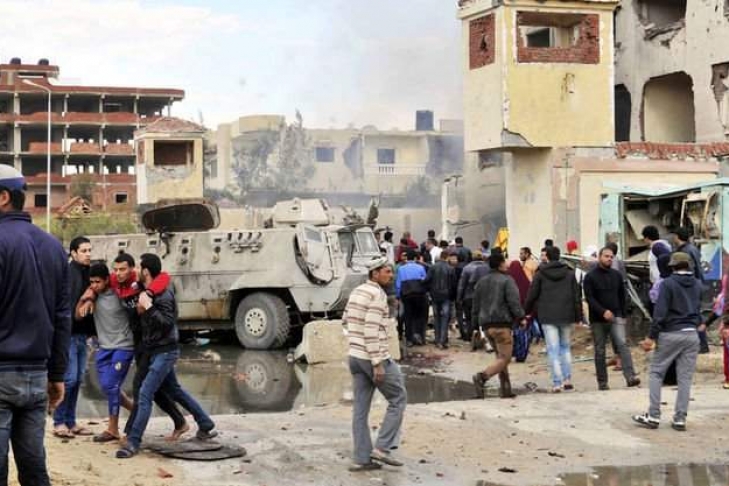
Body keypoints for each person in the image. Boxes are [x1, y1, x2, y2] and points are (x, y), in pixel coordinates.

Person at [0, 166, 71, 486]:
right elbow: (62, 317)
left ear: (3, 197)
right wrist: (57, 374)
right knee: (33, 467)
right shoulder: (54, 247)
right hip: (37, 377)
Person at [117, 254, 217, 459]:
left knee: (145, 393)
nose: (136, 271)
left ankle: (133, 442)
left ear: (146, 271)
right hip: (152, 350)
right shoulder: (145, 289)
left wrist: (149, 307)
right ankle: (205, 423)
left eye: (139, 268)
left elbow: (167, 323)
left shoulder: (164, 294)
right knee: (175, 390)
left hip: (165, 351)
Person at [107, 253, 188, 441]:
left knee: (141, 389)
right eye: (116, 269)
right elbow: (100, 280)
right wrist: (89, 294)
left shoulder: (143, 284)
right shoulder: (119, 282)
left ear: (134, 270)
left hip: (152, 344)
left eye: (123, 269)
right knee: (162, 390)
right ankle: (185, 422)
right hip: (142, 343)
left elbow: (163, 277)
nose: (118, 273)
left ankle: (132, 435)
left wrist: (148, 297)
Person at [345, 257, 407, 471]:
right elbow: (371, 330)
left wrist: (356, 344)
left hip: (355, 356)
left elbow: (346, 320)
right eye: (387, 271)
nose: (391, 275)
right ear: (375, 274)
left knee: (360, 410)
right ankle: (382, 448)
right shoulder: (377, 295)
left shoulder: (357, 291)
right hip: (372, 356)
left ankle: (361, 459)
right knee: (398, 398)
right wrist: (377, 363)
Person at [632, 252, 701, 431]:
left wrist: (651, 337)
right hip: (691, 334)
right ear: (689, 265)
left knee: (656, 373)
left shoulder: (668, 284)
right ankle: (680, 419)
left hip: (670, 333)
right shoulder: (697, 284)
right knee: (685, 378)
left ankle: (654, 415)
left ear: (672, 266)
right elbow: (698, 309)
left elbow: (660, 313)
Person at [77, 263, 135, 443]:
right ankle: (136, 410)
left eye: (98, 282)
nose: (94, 285)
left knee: (111, 385)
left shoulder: (120, 293)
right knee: (106, 387)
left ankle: (113, 429)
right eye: (92, 282)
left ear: (107, 280)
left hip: (124, 346)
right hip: (104, 347)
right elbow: (78, 316)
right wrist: (84, 299)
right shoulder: (92, 296)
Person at [53, 236, 95, 439]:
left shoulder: (88, 273)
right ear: (73, 253)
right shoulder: (70, 274)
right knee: (69, 379)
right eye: (84, 251)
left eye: (89, 250)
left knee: (78, 379)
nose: (88, 254)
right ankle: (59, 421)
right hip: (68, 335)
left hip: (82, 335)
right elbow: (66, 307)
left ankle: (71, 421)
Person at [524, 246, 582, 392]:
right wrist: (578, 316)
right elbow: (577, 296)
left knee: (553, 350)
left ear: (547, 257)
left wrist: (525, 312)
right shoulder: (569, 273)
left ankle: (557, 383)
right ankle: (567, 379)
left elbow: (532, 295)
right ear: (559, 256)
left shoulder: (540, 274)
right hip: (566, 315)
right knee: (565, 348)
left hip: (547, 316)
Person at [583, 247, 641, 390]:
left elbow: (622, 296)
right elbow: (590, 298)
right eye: (606, 256)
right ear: (599, 257)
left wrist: (623, 314)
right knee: (600, 350)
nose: (609, 259)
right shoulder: (590, 277)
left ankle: (630, 377)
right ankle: (602, 382)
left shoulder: (616, 275)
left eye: (611, 257)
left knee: (622, 345)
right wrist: (602, 311)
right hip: (598, 319)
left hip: (616, 317)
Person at [471, 253, 526, 399]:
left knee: (500, 357)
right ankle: (482, 377)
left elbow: (475, 305)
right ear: (501, 264)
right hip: (502, 324)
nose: (507, 263)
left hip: (486, 325)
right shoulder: (507, 280)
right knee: (505, 358)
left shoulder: (481, 282)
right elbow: (514, 302)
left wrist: (475, 325)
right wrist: (521, 317)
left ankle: (506, 389)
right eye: (505, 261)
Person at [674, 227, 709, 354]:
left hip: (690, 286)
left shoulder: (685, 251)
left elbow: (690, 270)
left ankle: (702, 344)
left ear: (677, 237)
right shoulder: (692, 248)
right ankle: (700, 344)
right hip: (697, 284)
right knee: (696, 314)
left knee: (693, 315)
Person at [424, 252, 457, 349]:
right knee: (445, 318)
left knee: (437, 317)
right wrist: (453, 297)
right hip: (446, 296)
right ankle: (443, 340)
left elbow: (427, 280)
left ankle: (437, 339)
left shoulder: (433, 267)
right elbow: (454, 284)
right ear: (447, 257)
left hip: (435, 295)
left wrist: (429, 291)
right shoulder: (450, 268)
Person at [395, 250, 428, 347]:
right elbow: (425, 280)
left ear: (407, 258)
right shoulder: (421, 267)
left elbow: (398, 284)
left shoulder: (401, 269)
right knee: (419, 316)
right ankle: (419, 337)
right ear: (415, 258)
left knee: (408, 317)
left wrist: (398, 296)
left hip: (406, 295)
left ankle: (409, 339)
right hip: (419, 295)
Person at [458, 251, 490, 343]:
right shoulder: (488, 268)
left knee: (469, 318)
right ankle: (484, 337)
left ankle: (471, 336)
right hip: (484, 297)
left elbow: (462, 285)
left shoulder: (466, 268)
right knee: (483, 318)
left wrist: (459, 297)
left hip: (469, 296)